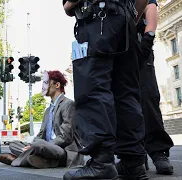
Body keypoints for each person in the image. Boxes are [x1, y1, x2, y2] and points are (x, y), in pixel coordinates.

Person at [62, 0, 149, 179]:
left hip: (97, 18)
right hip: (126, 21)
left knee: (93, 88)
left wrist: (69, 4)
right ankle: (132, 162)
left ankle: (102, 162)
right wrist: (130, 18)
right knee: (126, 92)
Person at [0, 70, 84, 168]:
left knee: (39, 144)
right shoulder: (48, 110)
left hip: (63, 150)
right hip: (45, 147)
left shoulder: (68, 104)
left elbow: (65, 137)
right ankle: (40, 160)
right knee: (14, 144)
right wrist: (32, 145)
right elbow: (41, 134)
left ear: (57, 85)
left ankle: (17, 160)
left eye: (46, 83)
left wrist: (40, 145)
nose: (43, 86)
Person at [137, 0, 174, 175]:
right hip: (115, 49)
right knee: (122, 103)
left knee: (148, 98)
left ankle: (158, 152)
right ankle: (135, 155)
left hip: (139, 46)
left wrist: (148, 36)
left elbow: (149, 5)